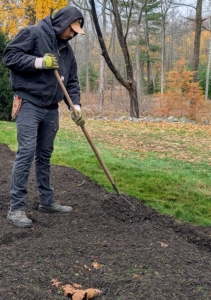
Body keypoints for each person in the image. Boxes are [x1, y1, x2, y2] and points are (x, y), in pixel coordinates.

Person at [2, 6, 85, 228]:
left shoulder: (66, 50)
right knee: (26, 152)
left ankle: (46, 202)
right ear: (63, 22)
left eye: (76, 32)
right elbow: (9, 56)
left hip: (51, 107)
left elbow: (72, 81)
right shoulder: (33, 33)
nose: (73, 35)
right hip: (28, 102)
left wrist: (75, 107)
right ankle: (16, 208)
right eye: (72, 29)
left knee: (45, 154)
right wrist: (39, 62)